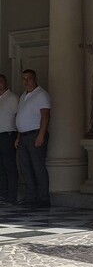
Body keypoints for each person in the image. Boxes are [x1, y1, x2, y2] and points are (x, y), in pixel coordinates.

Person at [14, 69, 51, 208]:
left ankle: (43, 198)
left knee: (38, 167)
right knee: (25, 167)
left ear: (35, 79)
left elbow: (45, 116)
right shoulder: (23, 95)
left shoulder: (41, 94)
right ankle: (31, 197)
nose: (26, 81)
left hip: (35, 135)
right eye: (24, 79)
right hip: (23, 136)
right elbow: (21, 117)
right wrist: (18, 136)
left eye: (29, 78)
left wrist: (41, 135)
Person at [0, 74, 19, 204]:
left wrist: (18, 136)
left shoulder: (13, 98)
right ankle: (3, 193)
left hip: (8, 134)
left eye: (0, 81)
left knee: (9, 165)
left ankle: (12, 195)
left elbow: (18, 117)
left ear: (5, 82)